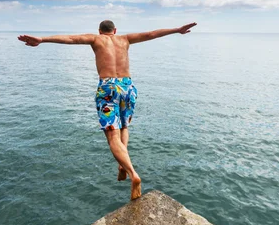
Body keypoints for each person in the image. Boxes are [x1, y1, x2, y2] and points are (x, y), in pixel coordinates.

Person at [18, 20, 197, 200]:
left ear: (100, 31)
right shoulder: (125, 39)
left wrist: (42, 39)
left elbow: (71, 38)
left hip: (108, 88)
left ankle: (133, 174)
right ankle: (122, 165)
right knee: (124, 127)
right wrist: (177, 30)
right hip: (127, 87)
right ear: (115, 30)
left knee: (112, 135)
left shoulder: (96, 39)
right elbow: (152, 34)